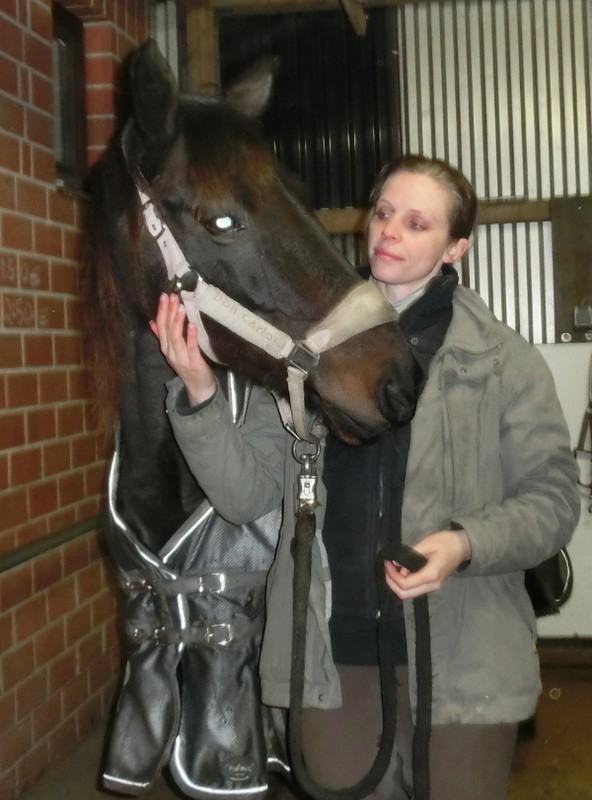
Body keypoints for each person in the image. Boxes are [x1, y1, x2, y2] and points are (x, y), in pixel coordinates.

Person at [151, 154, 580, 800]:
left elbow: (553, 501)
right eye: (383, 214)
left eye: (417, 223)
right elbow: (245, 495)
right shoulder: (299, 350)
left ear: (455, 247)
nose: (390, 233)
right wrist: (200, 392)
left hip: (464, 663)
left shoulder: (500, 361)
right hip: (332, 661)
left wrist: (463, 543)